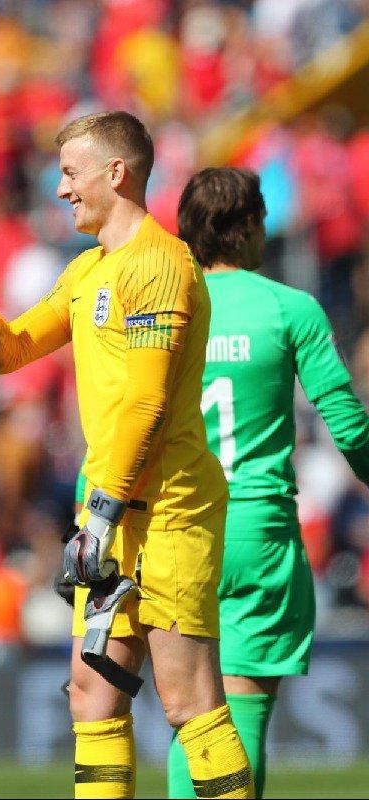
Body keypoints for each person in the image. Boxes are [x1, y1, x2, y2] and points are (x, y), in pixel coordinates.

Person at [0, 112, 253, 799]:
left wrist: (102, 514)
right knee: (92, 699)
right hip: (110, 516)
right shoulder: (88, 271)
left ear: (116, 173)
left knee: (188, 703)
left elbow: (145, 406)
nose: (60, 190)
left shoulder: (161, 265)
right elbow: (6, 351)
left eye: (70, 173)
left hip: (168, 514)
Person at [165, 167, 369, 798]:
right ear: (250, 225)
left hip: (177, 528)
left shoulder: (164, 307)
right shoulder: (289, 308)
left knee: (193, 715)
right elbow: (345, 420)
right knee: (242, 710)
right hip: (256, 527)